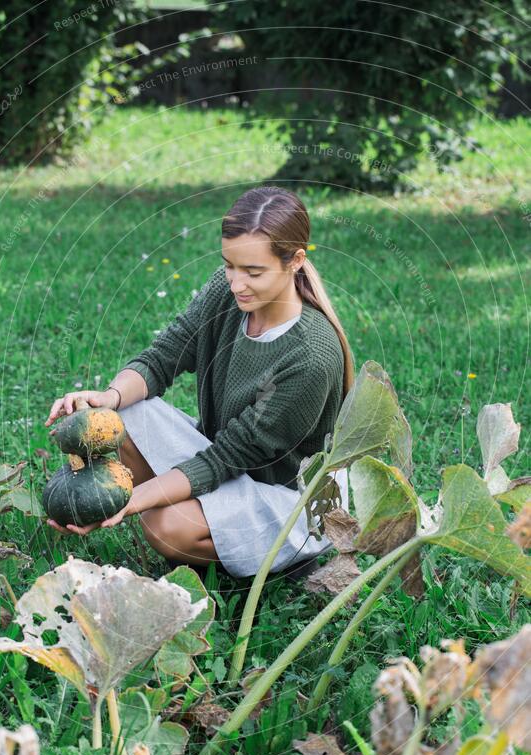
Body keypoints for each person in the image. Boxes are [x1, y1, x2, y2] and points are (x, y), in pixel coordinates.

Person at [45, 186, 355, 578]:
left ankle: (284, 559)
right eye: (230, 265)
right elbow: (162, 357)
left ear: (295, 261)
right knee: (122, 412)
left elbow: (222, 460)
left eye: (253, 272)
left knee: (167, 527)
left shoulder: (310, 355)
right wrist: (107, 398)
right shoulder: (228, 293)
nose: (236, 283)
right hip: (230, 463)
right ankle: (216, 532)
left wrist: (125, 502)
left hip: (292, 500)